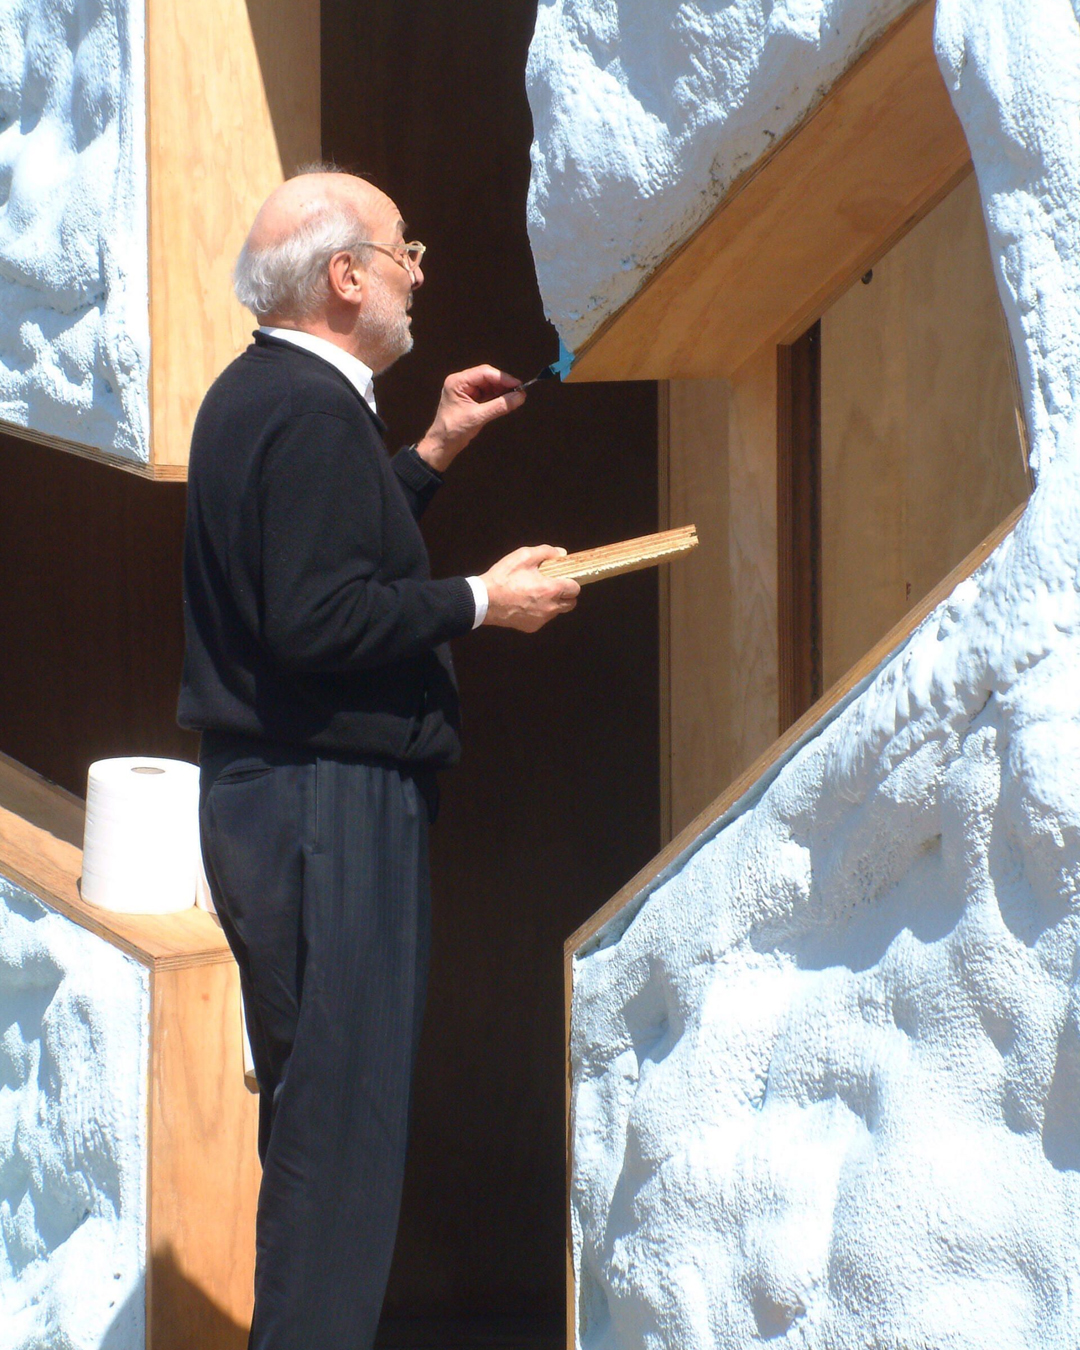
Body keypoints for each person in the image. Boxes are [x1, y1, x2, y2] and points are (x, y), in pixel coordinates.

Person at [177, 167, 579, 1350]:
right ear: (346, 277)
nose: (418, 270)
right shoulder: (304, 410)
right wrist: (479, 601)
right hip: (324, 806)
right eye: (405, 249)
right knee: (338, 1146)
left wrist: (436, 448)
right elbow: (315, 618)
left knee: (325, 1130)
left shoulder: (275, 398)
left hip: (293, 802)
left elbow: (325, 552)